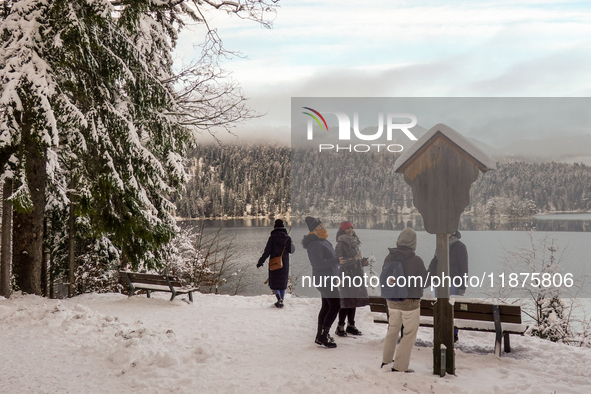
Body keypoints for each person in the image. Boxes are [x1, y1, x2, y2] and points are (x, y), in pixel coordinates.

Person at [381, 227, 428, 372]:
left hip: (392, 302)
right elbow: (425, 282)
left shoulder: (389, 257)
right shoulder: (416, 260)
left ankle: (386, 361)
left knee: (392, 330)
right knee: (408, 335)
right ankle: (400, 366)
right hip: (410, 304)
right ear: (413, 243)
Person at [302, 216, 341, 348]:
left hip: (328, 279)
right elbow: (318, 263)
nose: (323, 227)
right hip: (324, 280)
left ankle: (320, 335)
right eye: (320, 226)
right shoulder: (315, 244)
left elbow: (331, 261)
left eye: (323, 225)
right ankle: (324, 335)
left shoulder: (322, 241)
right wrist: (336, 261)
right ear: (313, 229)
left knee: (326, 306)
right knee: (335, 305)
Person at [428, 230, 468, 342]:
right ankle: (441, 330)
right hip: (439, 283)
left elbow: (464, 268)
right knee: (440, 308)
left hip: (453, 283)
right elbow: (435, 263)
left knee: (452, 310)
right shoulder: (440, 244)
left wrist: (462, 287)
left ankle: (453, 334)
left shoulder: (460, 246)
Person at [334, 221, 369, 337]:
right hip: (347, 276)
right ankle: (340, 327)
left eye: (351, 228)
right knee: (346, 303)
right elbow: (340, 262)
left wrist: (361, 262)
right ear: (343, 230)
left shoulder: (354, 242)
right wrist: (354, 260)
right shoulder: (340, 244)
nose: (350, 230)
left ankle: (351, 325)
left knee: (354, 301)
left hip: (356, 275)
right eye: (347, 228)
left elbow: (354, 260)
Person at [257, 219, 295, 308]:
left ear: (275, 227)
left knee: (274, 282)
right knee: (282, 282)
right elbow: (291, 250)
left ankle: (279, 298)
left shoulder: (272, 238)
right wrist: (291, 243)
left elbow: (267, 251)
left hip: (274, 262)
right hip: (284, 263)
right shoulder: (287, 238)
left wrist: (260, 261)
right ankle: (281, 299)